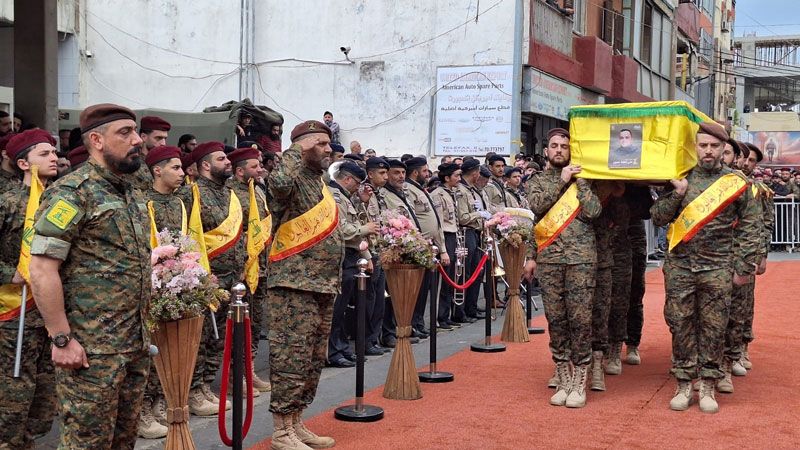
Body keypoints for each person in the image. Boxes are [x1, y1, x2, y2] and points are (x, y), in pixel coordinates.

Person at [28, 104, 152, 449]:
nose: (137, 140)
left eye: (135, 131)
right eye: (124, 133)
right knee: (87, 441)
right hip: (90, 350)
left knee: (123, 440)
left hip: (133, 343)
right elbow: (41, 268)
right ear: (96, 140)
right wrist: (62, 339)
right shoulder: (72, 192)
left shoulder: (129, 191)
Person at [650, 122, 760, 414]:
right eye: (703, 145)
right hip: (681, 267)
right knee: (680, 323)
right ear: (695, 147)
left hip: (718, 267)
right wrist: (677, 194)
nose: (708, 151)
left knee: (714, 326)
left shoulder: (736, 183)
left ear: (724, 148)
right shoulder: (679, 178)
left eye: (714, 146)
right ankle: (684, 382)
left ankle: (709, 383)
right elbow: (658, 218)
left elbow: (751, 228)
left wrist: (743, 267)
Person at [265, 120, 342, 449]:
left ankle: (297, 421)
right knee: (290, 359)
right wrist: (296, 149)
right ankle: (282, 430)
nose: (328, 150)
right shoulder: (290, 173)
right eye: (322, 144)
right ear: (305, 144)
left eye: (328, 145)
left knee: (312, 359)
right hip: (293, 285)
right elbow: (278, 186)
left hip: (323, 284)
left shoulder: (318, 181)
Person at [527, 127, 601, 408]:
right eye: (554, 146)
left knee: (580, 321)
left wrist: (579, 183)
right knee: (556, 321)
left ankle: (580, 378)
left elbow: (594, 212)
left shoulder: (585, 182)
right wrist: (562, 180)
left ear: (572, 152)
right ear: (547, 151)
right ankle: (563, 375)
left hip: (581, 260)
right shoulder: (537, 180)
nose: (559, 150)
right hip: (550, 259)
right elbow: (537, 209)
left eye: (564, 146)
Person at [0, 129, 60, 449]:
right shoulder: (7, 200)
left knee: (44, 396)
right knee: (14, 393)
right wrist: (9, 273)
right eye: (44, 154)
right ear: (23, 163)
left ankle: (28, 441)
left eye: (53, 153)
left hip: (52, 311)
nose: (53, 158)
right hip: (14, 312)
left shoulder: (62, 200)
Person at [180, 141, 242, 415]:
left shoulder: (230, 193)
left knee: (219, 338)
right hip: (206, 278)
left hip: (232, 278)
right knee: (202, 336)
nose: (228, 161)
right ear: (206, 165)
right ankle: (193, 391)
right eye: (221, 158)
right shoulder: (190, 194)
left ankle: (206, 386)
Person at [226, 144, 273, 396]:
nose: (259, 169)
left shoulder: (258, 191)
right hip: (243, 267)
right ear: (240, 170)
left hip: (261, 266)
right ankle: (236, 375)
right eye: (254, 166)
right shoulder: (231, 194)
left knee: (254, 322)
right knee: (239, 323)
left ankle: (249, 370)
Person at [326, 160, 377, 367]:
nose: (358, 187)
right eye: (357, 182)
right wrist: (366, 229)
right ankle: (332, 351)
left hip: (350, 255)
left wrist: (362, 203)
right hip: (341, 255)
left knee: (343, 307)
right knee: (336, 308)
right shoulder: (335, 196)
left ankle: (341, 347)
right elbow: (341, 229)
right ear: (347, 179)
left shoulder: (346, 197)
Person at [405, 156, 449, 336]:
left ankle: (419, 323)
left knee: (424, 291)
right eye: (424, 171)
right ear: (415, 172)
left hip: (428, 245)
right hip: (418, 246)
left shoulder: (419, 189)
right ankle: (414, 324)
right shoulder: (409, 189)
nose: (428, 174)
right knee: (417, 290)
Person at [352, 156, 392, 353]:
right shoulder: (362, 192)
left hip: (379, 250)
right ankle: (365, 341)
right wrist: (367, 255)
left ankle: (373, 339)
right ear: (370, 174)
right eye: (381, 173)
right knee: (369, 300)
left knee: (378, 301)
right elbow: (361, 222)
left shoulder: (379, 194)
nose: (386, 177)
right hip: (367, 252)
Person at [454, 159, 489, 322]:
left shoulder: (472, 190)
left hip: (476, 232)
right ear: (475, 173)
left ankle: (471, 308)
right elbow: (463, 217)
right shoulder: (461, 190)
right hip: (467, 232)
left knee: (477, 271)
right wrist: (479, 214)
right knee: (466, 273)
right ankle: (461, 312)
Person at [430, 163, 462, 329]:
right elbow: (439, 224)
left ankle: (445, 315)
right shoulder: (438, 194)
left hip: (453, 235)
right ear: (447, 177)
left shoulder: (452, 193)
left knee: (451, 279)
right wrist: (443, 249)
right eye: (456, 175)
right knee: (443, 280)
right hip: (444, 237)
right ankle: (438, 317)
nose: (459, 178)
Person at [130, 116, 171, 192]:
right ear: (143, 137)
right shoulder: (131, 162)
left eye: (165, 139)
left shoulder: (166, 163)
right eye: (158, 138)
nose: (163, 143)